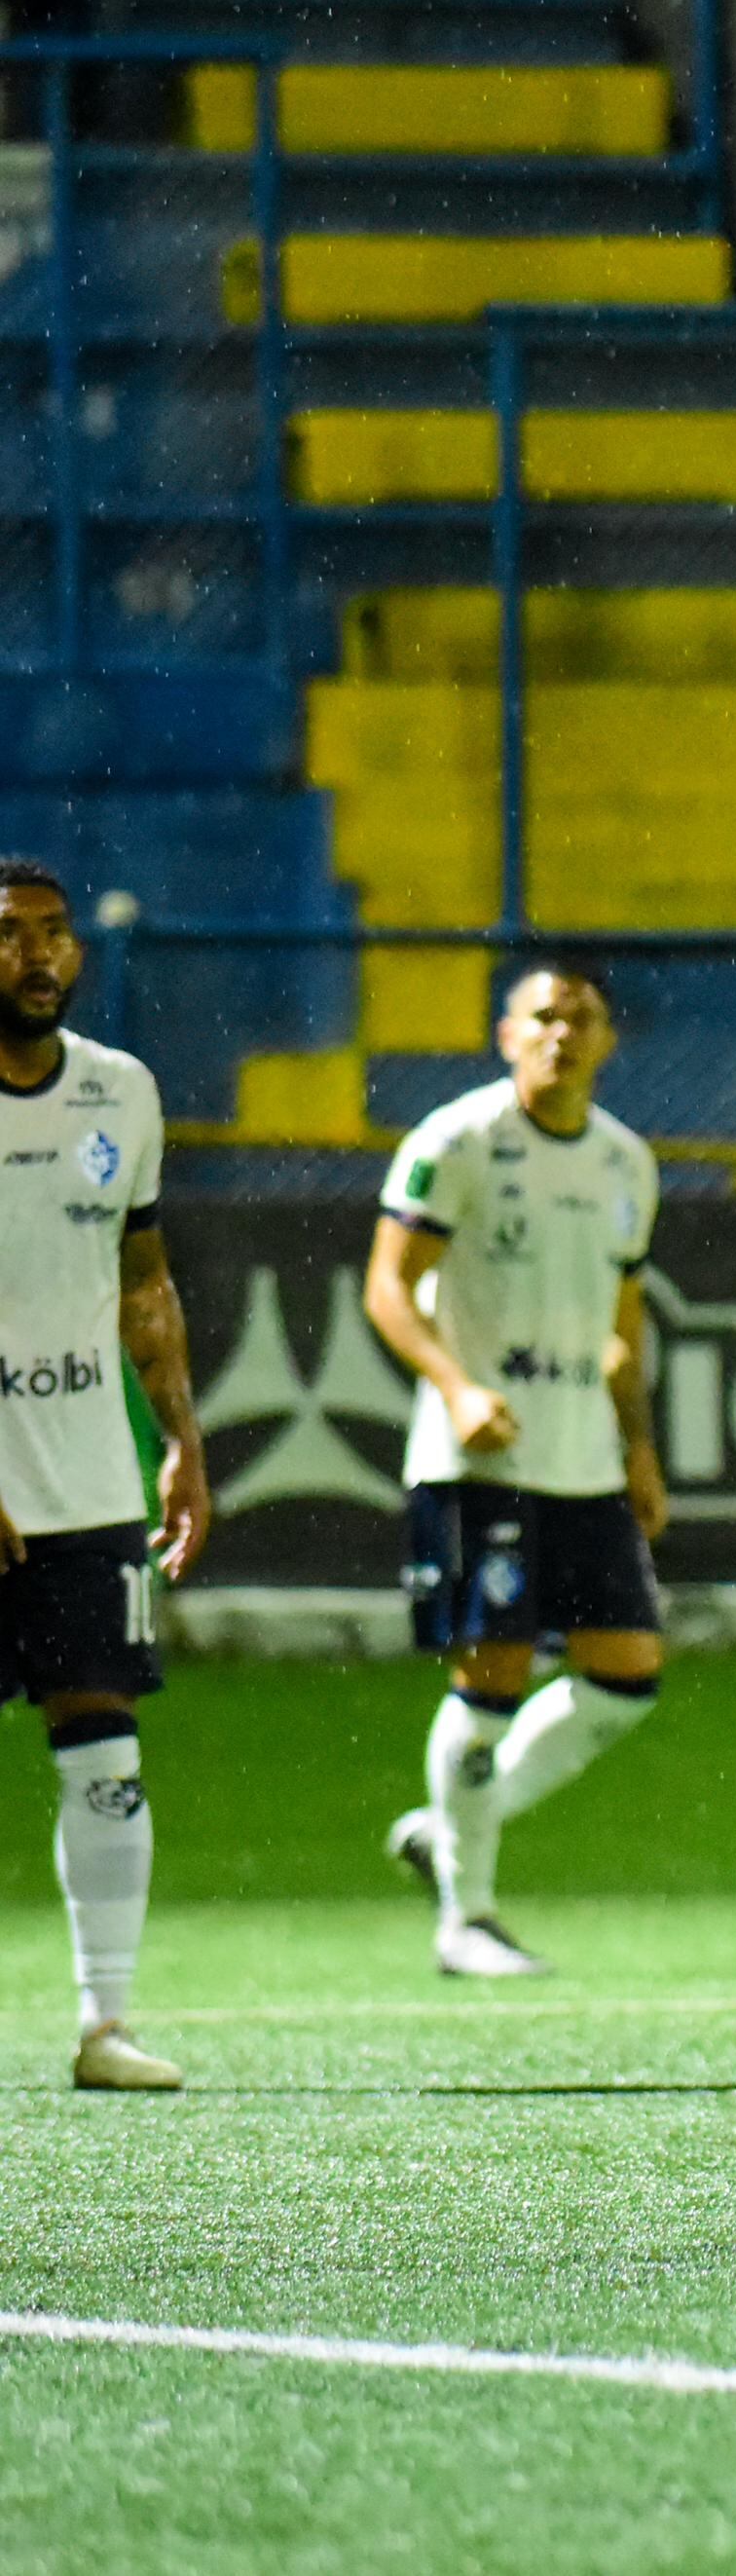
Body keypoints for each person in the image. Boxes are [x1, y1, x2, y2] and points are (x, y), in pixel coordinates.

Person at [370, 961, 669, 1981]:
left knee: (625, 1674)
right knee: (490, 1672)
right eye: (543, 1016)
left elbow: (620, 1330)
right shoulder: (457, 1140)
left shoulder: (628, 1162)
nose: (561, 1034)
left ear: (607, 1039)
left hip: (582, 1456)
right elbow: (388, 1288)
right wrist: (455, 1385)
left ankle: (450, 1823)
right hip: (476, 1458)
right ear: (506, 1033)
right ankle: (468, 1915)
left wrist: (637, 1446)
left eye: (581, 1017)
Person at [0, 856, 209, 2090]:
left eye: (52, 934)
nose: (35, 954)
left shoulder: (120, 1092)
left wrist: (180, 1438)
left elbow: (144, 1281)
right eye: (10, 933)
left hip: (89, 1481)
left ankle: (104, 2023)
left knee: (105, 1745)